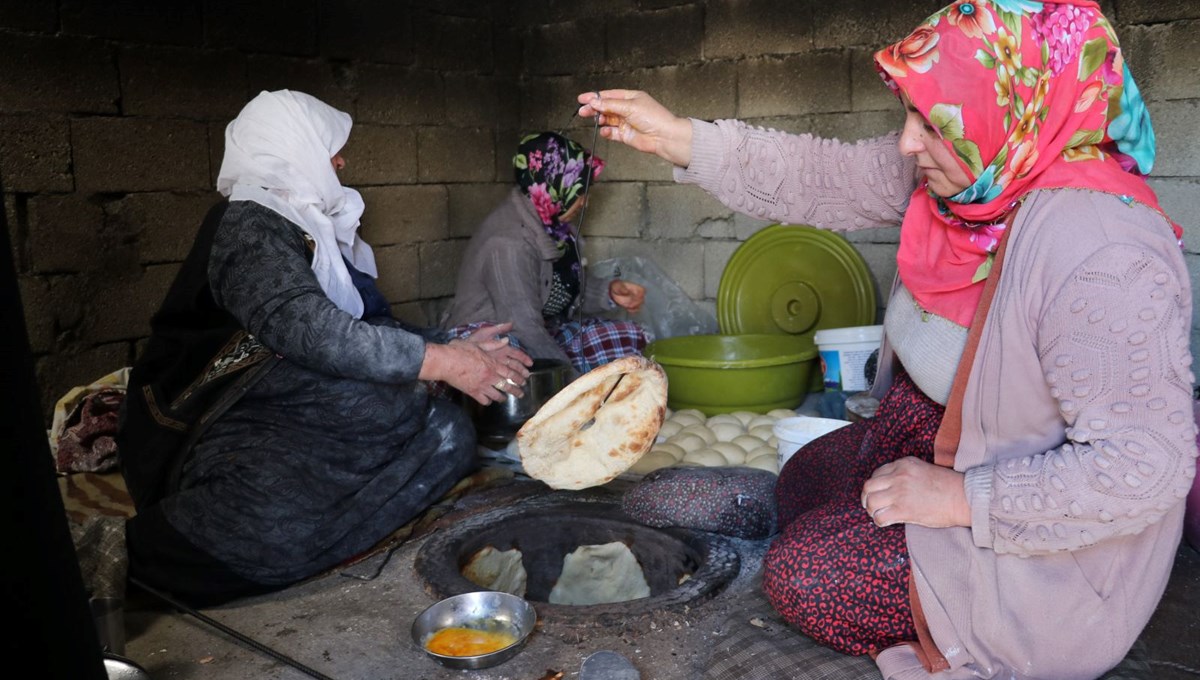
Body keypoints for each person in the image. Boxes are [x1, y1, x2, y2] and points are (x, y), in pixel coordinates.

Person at [578, 1, 1196, 678]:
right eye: (911, 114)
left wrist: (960, 498)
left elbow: (1148, 466)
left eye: (931, 123)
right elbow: (824, 176)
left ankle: (865, 553)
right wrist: (679, 138)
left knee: (804, 576)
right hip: (924, 441)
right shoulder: (979, 175)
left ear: (1011, 110)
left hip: (1030, 548)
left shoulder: (1101, 251)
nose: (906, 143)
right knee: (803, 476)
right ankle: (838, 517)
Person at [117, 90, 532, 606]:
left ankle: (316, 527)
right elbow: (313, 332)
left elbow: (366, 324)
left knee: (449, 433)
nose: (340, 161)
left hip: (292, 402)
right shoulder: (249, 224)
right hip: (219, 420)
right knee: (386, 400)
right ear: (293, 147)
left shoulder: (314, 225)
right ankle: (172, 549)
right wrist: (446, 362)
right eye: (330, 147)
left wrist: (452, 344)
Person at [442, 131, 648, 376]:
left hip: (541, 328)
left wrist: (608, 291)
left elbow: (561, 289)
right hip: (489, 339)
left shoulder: (556, 227)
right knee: (514, 357)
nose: (585, 202)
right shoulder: (509, 243)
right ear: (553, 184)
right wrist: (573, 387)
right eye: (580, 190)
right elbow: (524, 328)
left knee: (627, 336)